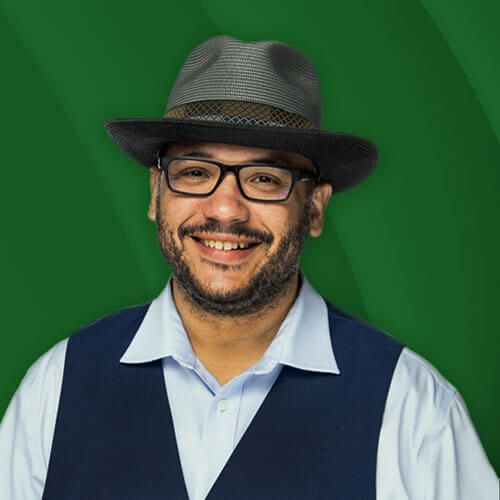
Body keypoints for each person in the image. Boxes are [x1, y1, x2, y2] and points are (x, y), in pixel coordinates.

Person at [0, 35, 497, 500]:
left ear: (316, 208)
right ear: (156, 193)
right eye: (195, 172)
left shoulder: (411, 407)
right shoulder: (57, 386)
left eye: (263, 179)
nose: (225, 210)